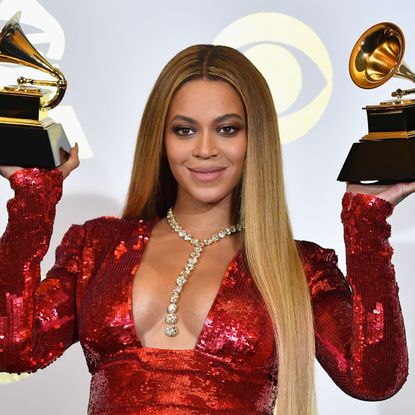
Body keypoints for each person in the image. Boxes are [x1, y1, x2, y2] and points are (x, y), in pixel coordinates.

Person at [0, 44, 412, 415]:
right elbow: (11, 348)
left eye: (227, 128)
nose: (204, 149)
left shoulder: (299, 269)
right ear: (160, 140)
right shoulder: (97, 248)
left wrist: (367, 225)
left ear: (257, 139)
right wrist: (31, 203)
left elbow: (372, 381)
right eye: (185, 130)